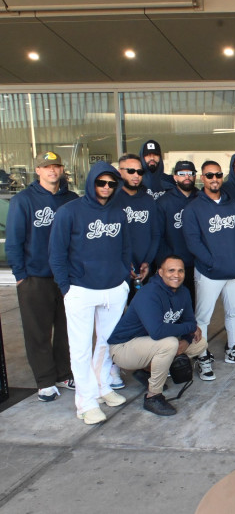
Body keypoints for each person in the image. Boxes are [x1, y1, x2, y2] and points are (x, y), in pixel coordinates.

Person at [49, 161, 132, 425]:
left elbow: (125, 248)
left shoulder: (119, 212)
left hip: (114, 288)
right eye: (101, 182)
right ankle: (85, 402)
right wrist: (67, 288)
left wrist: (123, 278)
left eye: (111, 183)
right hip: (81, 290)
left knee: (108, 343)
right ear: (91, 182)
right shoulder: (69, 212)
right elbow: (57, 254)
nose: (106, 188)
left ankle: (102, 386)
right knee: (81, 349)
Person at [6, 151, 78, 402]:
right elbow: (14, 241)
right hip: (35, 277)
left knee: (66, 329)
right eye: (46, 167)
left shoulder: (71, 199)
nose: (52, 171)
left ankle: (63, 372)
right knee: (37, 331)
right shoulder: (23, 200)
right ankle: (45, 381)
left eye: (56, 166)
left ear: (61, 170)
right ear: (37, 170)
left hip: (66, 276)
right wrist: (20, 275)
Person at [108, 256, 207, 416]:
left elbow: (189, 320)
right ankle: (153, 396)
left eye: (180, 270)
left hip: (149, 344)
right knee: (169, 344)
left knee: (200, 343)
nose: (176, 275)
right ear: (160, 272)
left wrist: (187, 341)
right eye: (171, 270)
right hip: (124, 348)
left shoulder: (183, 292)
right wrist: (190, 328)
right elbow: (158, 331)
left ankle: (147, 371)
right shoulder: (149, 294)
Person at [182, 160, 235, 380]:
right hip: (209, 272)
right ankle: (202, 356)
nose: (214, 179)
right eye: (209, 175)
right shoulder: (193, 208)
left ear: (222, 177)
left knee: (233, 312)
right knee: (203, 318)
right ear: (202, 178)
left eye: (218, 175)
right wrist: (212, 263)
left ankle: (232, 350)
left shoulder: (234, 205)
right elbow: (193, 243)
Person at [115, 153, 159, 302]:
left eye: (140, 172)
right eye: (131, 171)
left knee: (144, 313)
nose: (136, 175)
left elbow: (155, 234)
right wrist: (124, 263)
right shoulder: (113, 200)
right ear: (120, 171)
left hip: (145, 269)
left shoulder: (148, 200)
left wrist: (147, 262)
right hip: (119, 269)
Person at [156, 160, 199, 304]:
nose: (186, 177)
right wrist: (165, 263)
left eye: (190, 174)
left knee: (195, 305)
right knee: (173, 305)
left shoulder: (202, 199)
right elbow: (158, 235)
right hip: (174, 266)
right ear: (175, 177)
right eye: (182, 174)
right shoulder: (164, 202)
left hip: (199, 264)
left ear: (195, 176)